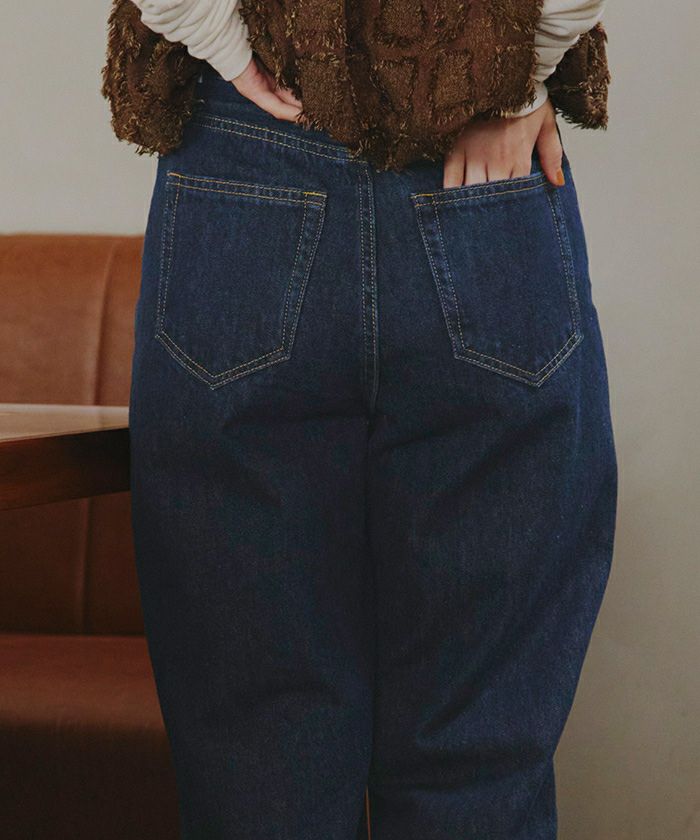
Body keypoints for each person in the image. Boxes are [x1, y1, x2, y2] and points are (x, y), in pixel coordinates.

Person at [123, 1, 617, 837]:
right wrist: (514, 74)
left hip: (245, 170)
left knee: (258, 767)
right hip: (478, 173)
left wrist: (220, 42)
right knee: (479, 755)